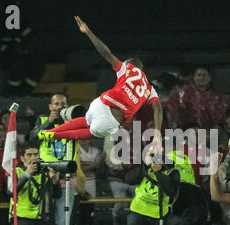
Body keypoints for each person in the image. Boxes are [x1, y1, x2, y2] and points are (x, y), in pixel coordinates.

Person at [39, 16, 163, 149]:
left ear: (129, 64)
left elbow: (106, 54)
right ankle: (56, 136)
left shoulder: (125, 68)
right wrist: (157, 133)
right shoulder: (149, 89)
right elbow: (158, 108)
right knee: (91, 133)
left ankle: (49, 132)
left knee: (86, 120)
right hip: (111, 119)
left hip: (99, 103)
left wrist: (88, 32)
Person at [8, 142, 71, 225]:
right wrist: (27, 174)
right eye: (29, 155)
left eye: (35, 154)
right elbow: (10, 192)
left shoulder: (44, 173)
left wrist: (54, 181)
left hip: (40, 220)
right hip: (20, 218)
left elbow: (57, 195)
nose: (33, 158)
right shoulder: (17, 171)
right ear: (22, 158)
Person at [126, 147, 191, 225]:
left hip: (161, 216)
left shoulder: (173, 172)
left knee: (183, 224)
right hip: (140, 212)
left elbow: (169, 191)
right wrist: (145, 165)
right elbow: (129, 179)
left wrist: (157, 172)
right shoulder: (145, 169)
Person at [30, 93, 83, 225]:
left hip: (67, 175)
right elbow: (32, 137)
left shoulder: (73, 122)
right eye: (56, 104)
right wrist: (49, 122)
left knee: (63, 217)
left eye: (63, 104)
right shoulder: (42, 121)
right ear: (50, 106)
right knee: (44, 213)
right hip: (46, 174)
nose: (60, 107)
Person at [165, 66, 227, 130]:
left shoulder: (217, 95)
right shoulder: (183, 94)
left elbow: (221, 116)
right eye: (199, 75)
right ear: (194, 77)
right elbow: (174, 111)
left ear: (209, 78)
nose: (202, 78)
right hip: (188, 131)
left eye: (204, 75)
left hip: (212, 131)